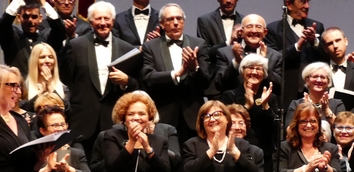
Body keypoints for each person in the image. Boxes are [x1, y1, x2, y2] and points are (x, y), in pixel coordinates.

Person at [60, 0, 140, 158]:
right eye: (98, 19)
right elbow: (66, 77)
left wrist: (126, 82)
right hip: (83, 120)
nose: (103, 23)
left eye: (106, 18)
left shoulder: (127, 49)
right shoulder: (76, 46)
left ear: (113, 21)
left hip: (114, 121)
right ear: (90, 22)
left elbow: (138, 84)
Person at [141, 3, 209, 145]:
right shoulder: (150, 46)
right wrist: (174, 73)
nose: (176, 23)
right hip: (163, 113)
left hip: (192, 115)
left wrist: (194, 68)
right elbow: (148, 77)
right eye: (170, 19)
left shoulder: (199, 44)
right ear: (161, 23)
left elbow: (206, 82)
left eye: (179, 19)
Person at [221, 54, 277, 172]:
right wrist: (247, 106)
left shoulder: (270, 97)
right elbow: (227, 123)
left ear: (264, 74)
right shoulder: (230, 95)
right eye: (250, 68)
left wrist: (265, 106)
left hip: (262, 152)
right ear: (242, 71)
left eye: (259, 69)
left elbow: (274, 128)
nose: (254, 72)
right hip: (234, 150)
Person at [265, 0, 326, 109]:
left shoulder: (318, 26)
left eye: (308, 2)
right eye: (302, 2)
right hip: (286, 91)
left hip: (313, 90)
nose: (307, 6)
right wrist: (296, 47)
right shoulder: (274, 29)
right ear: (289, 4)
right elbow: (274, 59)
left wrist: (314, 42)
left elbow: (325, 56)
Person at [213, 14, 282, 95]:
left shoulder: (275, 56)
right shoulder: (225, 52)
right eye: (249, 26)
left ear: (265, 32)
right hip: (233, 105)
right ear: (241, 32)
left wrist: (264, 63)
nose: (254, 30)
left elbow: (278, 87)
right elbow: (219, 84)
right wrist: (236, 62)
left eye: (258, 27)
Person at [0, 0, 65, 78]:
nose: (30, 20)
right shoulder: (13, 40)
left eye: (34, 17)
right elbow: (3, 25)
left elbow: (60, 30)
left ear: (40, 18)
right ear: (19, 18)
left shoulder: (46, 39)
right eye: (26, 16)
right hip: (19, 88)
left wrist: (43, 3)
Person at [322, 27, 354, 122]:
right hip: (325, 124)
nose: (335, 46)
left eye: (338, 40)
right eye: (330, 43)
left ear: (346, 41)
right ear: (325, 48)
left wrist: (347, 120)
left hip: (351, 125)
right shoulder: (319, 71)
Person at [285, 62, 346, 128]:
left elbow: (343, 129)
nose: (319, 80)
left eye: (322, 77)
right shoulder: (296, 104)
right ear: (307, 80)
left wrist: (326, 111)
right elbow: (289, 131)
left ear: (328, 81)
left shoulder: (337, 104)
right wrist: (306, 111)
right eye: (315, 76)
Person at [22, 43, 68, 113]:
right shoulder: (24, 87)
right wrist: (39, 94)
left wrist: (50, 87)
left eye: (50, 57)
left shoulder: (63, 88)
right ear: (35, 60)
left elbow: (67, 110)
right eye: (42, 57)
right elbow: (22, 109)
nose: (47, 60)